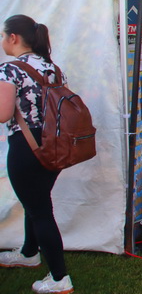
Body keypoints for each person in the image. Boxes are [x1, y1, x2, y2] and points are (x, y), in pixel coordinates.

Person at [0, 15, 74, 293]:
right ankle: (29, 253)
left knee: (39, 210)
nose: (2, 41)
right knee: (36, 202)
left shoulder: (10, 69)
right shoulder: (52, 68)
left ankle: (59, 278)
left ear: (14, 38)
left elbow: (3, 113)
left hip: (26, 147)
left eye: (3, 36)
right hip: (54, 145)